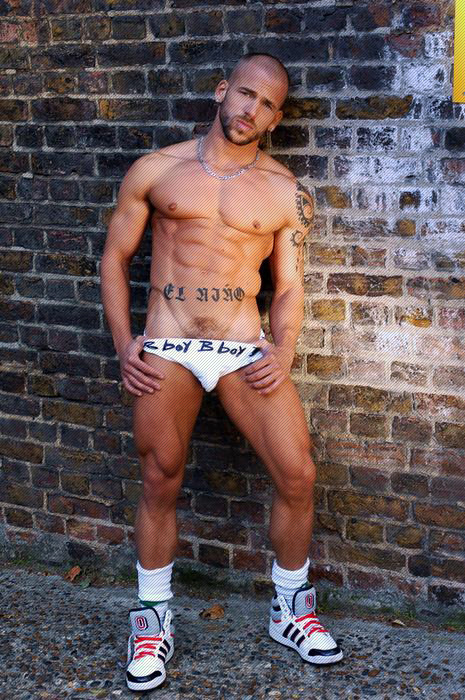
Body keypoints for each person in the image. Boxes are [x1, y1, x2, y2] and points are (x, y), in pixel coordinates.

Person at [101, 51, 343, 693]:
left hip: (241, 346)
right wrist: (125, 345)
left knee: (298, 472)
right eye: (244, 94)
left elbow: (288, 287)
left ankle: (290, 610)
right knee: (161, 476)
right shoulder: (157, 169)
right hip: (169, 342)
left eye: (267, 105)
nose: (250, 110)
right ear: (221, 90)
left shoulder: (285, 192)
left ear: (275, 119)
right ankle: (152, 620)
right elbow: (115, 257)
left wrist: (283, 349)